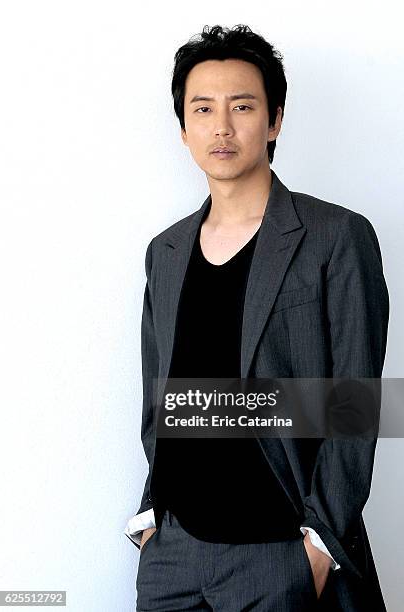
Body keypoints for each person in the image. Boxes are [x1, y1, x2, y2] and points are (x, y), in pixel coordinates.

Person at [124, 24, 389, 611]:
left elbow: (357, 401)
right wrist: (151, 515)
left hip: (280, 553)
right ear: (184, 129)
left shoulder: (336, 237)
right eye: (203, 109)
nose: (222, 126)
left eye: (242, 106)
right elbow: (158, 398)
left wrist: (320, 544)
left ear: (273, 122)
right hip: (173, 554)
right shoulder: (164, 253)